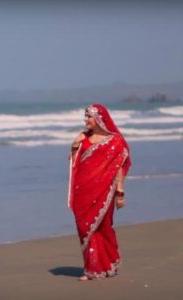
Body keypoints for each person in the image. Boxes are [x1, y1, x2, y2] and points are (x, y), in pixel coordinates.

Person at [68, 104, 131, 281]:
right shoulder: (83, 138)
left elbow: (118, 167)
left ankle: (102, 265)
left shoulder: (115, 140)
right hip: (82, 191)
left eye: (89, 116)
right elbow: (74, 164)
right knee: (84, 228)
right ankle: (92, 266)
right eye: (85, 116)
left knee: (102, 227)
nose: (85, 120)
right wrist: (74, 145)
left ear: (100, 118)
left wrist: (120, 192)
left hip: (104, 192)